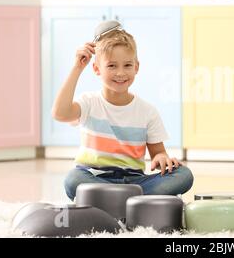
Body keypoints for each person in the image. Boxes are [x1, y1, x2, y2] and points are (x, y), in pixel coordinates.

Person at [52, 21, 193, 201]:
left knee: (183, 175)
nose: (120, 73)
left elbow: (158, 153)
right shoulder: (89, 102)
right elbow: (60, 113)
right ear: (96, 68)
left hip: (135, 182)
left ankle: (114, 201)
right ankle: (131, 201)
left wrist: (163, 158)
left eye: (127, 65)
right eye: (111, 66)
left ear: (136, 67)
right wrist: (77, 68)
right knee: (73, 179)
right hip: (95, 177)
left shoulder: (147, 111)